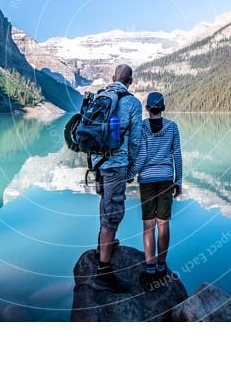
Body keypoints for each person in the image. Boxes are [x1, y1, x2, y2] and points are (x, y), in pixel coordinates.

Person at [90, 64, 143, 293]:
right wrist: (131, 166)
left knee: (105, 203)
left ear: (113, 78)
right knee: (114, 212)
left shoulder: (99, 96)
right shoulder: (132, 102)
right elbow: (135, 140)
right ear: (130, 81)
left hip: (96, 162)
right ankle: (104, 271)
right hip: (115, 163)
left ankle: (103, 246)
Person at [127, 91, 182, 291]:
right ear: (163, 107)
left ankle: (150, 270)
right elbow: (177, 155)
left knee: (148, 225)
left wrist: (131, 173)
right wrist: (179, 180)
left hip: (148, 181)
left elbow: (140, 156)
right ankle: (161, 266)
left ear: (147, 108)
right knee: (163, 223)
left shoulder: (142, 127)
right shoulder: (172, 127)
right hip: (167, 179)